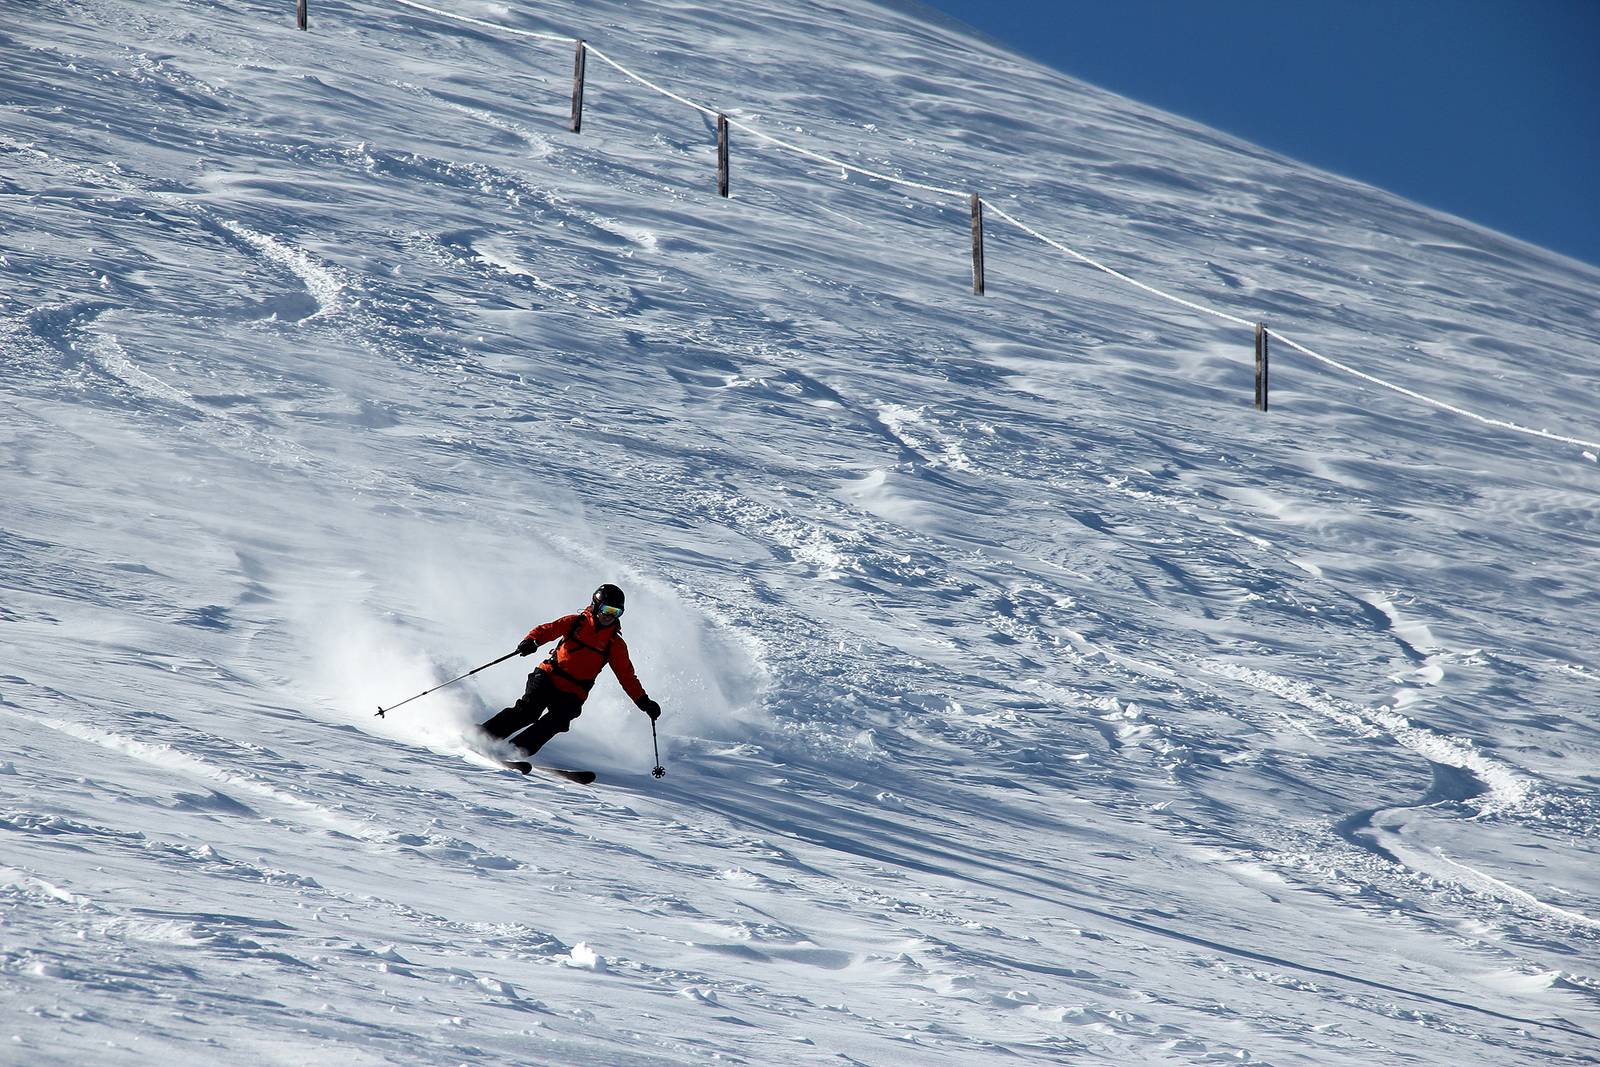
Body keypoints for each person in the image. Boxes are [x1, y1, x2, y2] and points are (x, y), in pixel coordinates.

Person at [481, 584, 660, 758]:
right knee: (528, 711)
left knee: (558, 720)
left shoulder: (615, 644)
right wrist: (531, 641)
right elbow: (547, 630)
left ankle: (514, 751)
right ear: (596, 605)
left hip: (575, 691)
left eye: (616, 612)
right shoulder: (575, 622)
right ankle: (483, 736)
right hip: (548, 676)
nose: (609, 616)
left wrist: (643, 701)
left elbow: (626, 676)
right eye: (606, 609)